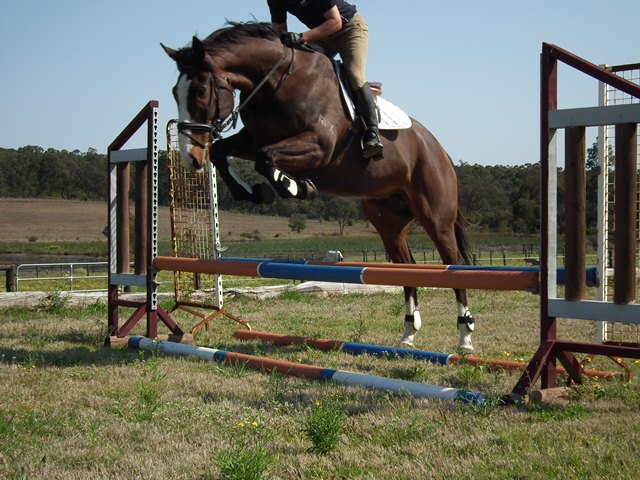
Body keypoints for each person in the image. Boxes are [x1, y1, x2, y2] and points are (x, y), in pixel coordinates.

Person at [267, 0, 384, 160]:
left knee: (355, 76)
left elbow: (336, 22)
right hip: (322, 35)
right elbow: (279, 29)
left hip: (349, 28)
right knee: (297, 68)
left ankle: (372, 133)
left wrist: (301, 37)